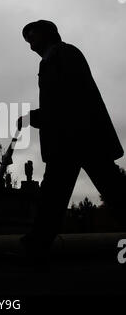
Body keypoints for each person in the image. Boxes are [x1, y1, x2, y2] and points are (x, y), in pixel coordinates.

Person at [17, 20, 125, 258]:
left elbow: (68, 98)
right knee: (57, 197)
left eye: (32, 37)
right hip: (74, 139)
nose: (30, 45)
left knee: (57, 196)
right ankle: (35, 246)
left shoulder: (63, 54)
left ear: (48, 34)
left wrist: (38, 116)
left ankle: (34, 247)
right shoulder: (56, 58)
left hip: (77, 138)